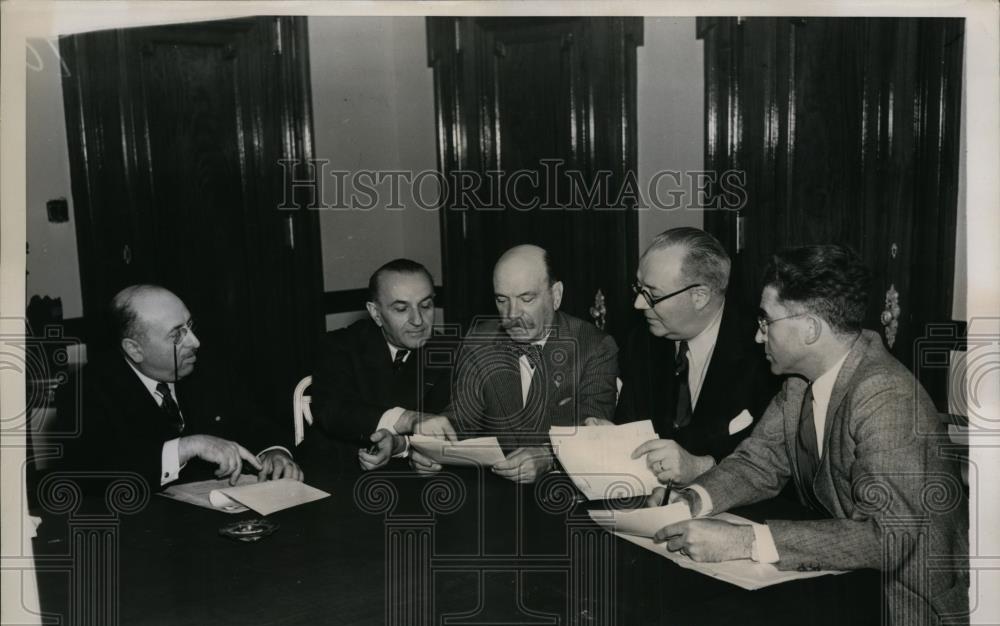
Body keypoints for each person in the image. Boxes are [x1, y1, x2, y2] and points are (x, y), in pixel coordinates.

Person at [649, 244, 968, 626]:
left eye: (766, 321)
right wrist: (692, 501)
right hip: (851, 582)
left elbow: (888, 538)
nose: (758, 337)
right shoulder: (800, 383)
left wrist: (741, 541)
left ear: (810, 329)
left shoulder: (885, 395)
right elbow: (758, 462)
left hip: (912, 609)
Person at [56, 284, 302, 490]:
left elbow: (256, 421)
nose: (195, 342)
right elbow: (88, 476)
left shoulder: (206, 367)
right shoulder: (85, 391)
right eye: (176, 335)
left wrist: (273, 452)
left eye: (190, 326)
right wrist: (187, 447)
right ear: (134, 349)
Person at [417, 244, 619, 483]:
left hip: (564, 491)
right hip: (495, 492)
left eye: (526, 298)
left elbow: (594, 434)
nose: (512, 314)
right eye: (502, 300)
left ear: (556, 295)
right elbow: (462, 418)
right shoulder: (478, 340)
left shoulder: (595, 347)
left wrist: (548, 456)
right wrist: (433, 445)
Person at [612, 227, 777, 486]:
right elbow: (631, 428)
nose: (638, 304)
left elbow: (777, 465)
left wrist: (703, 467)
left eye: (652, 295)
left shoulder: (764, 352)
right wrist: (609, 441)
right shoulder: (640, 342)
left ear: (699, 296)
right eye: (638, 288)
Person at [308, 259, 454, 471]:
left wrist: (403, 446)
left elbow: (455, 424)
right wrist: (407, 419)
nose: (418, 320)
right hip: (337, 469)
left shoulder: (448, 352)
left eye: (425, 305)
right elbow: (334, 409)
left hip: (410, 477)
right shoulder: (340, 346)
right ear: (376, 313)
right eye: (402, 309)